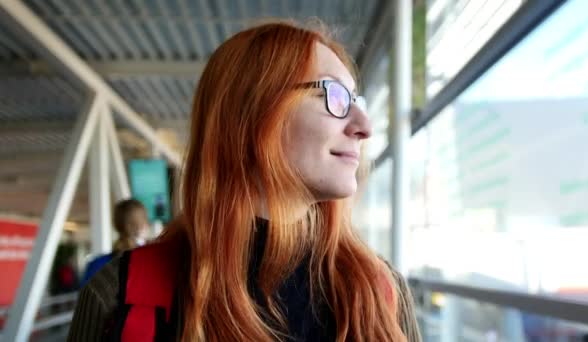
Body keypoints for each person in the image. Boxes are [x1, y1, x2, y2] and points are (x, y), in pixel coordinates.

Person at [68, 21, 421, 342]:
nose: (365, 126)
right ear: (253, 113)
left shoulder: (381, 293)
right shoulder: (119, 295)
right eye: (336, 97)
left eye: (356, 99)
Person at [80, 198, 149, 285]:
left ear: (116, 226)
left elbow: (85, 297)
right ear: (143, 226)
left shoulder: (97, 265)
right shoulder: (153, 264)